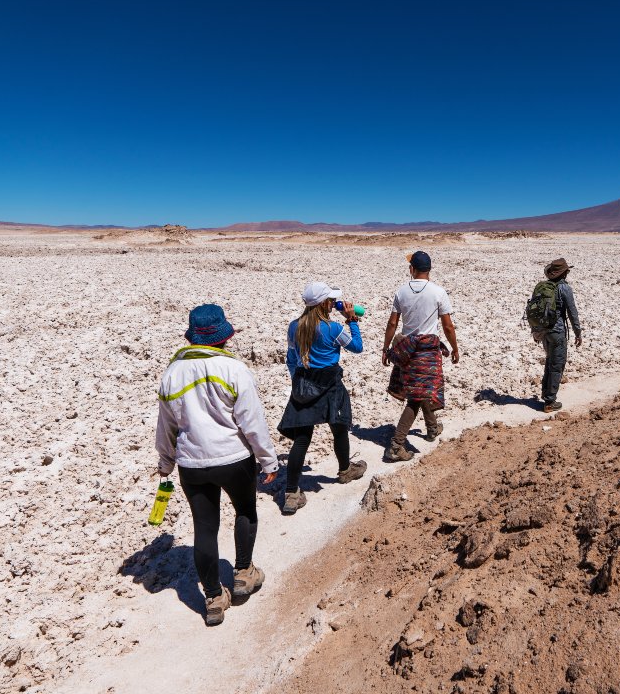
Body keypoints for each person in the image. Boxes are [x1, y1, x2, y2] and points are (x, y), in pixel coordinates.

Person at [155, 303, 279, 626]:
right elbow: (253, 422)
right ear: (224, 336)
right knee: (245, 510)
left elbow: (166, 426)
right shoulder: (234, 370)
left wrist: (166, 462)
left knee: (204, 528)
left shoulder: (172, 372)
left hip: (192, 465)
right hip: (234, 459)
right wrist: (268, 460)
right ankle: (243, 573)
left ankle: (212, 598)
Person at [277, 282, 367, 515]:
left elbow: (290, 358)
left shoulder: (293, 327)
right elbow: (357, 347)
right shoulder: (333, 328)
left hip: (304, 384)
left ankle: (291, 494)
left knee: (302, 438)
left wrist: (297, 381)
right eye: (331, 300)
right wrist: (352, 321)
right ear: (325, 304)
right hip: (330, 386)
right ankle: (345, 470)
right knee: (339, 428)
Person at [381, 250, 459, 462]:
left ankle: (432, 428)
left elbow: (392, 323)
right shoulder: (438, 292)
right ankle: (396, 446)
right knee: (417, 395)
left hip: (406, 350)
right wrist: (455, 348)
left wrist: (386, 348)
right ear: (429, 270)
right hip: (427, 351)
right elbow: (448, 325)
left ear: (412, 269)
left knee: (420, 388)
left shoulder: (401, 292)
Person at [539, 258, 582, 412]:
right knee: (557, 365)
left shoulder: (544, 287)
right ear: (565, 273)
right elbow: (572, 313)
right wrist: (578, 332)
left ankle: (546, 395)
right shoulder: (565, 288)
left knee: (550, 362)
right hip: (557, 332)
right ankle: (550, 402)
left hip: (544, 332)